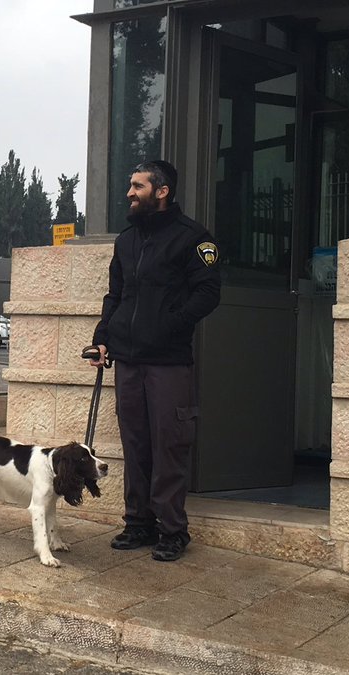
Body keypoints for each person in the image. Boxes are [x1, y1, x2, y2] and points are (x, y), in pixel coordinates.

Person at [87, 160, 220, 561]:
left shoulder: (192, 238)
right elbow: (116, 295)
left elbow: (208, 293)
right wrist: (102, 337)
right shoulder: (126, 240)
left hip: (168, 362)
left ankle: (173, 531)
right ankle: (138, 523)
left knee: (169, 446)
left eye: (138, 186)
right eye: (130, 185)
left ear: (161, 192)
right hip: (128, 361)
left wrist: (168, 326)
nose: (130, 192)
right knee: (135, 445)